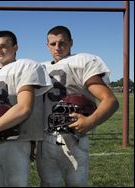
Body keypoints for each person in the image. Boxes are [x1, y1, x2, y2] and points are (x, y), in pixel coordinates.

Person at [36, 25, 119, 187]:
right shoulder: (41, 68)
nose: (57, 48)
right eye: (53, 44)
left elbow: (110, 100)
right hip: (46, 137)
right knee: (48, 183)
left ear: (71, 43)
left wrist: (90, 122)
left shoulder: (80, 61)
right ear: (47, 45)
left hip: (73, 136)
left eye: (62, 43)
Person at [0, 30, 52, 187]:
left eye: (4, 46)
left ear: (15, 47)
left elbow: (24, 108)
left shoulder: (25, 66)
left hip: (15, 140)